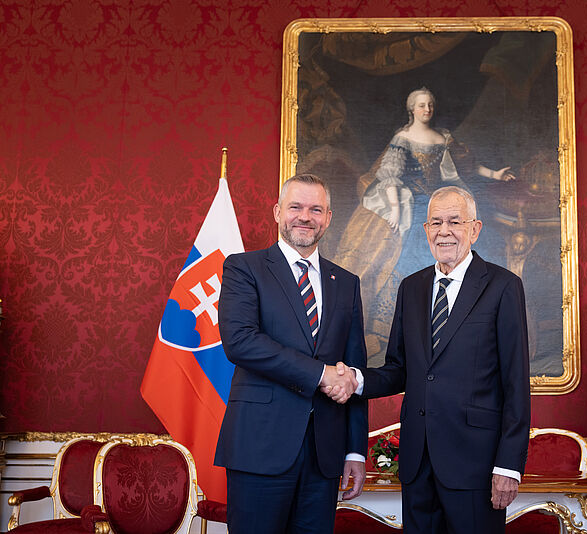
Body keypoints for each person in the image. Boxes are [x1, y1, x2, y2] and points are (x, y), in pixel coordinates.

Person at [343, 185, 531, 534]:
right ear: (426, 230)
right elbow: (400, 369)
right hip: (417, 462)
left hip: (476, 463)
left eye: (455, 222)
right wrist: (357, 380)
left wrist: (509, 465)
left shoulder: (503, 286)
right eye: (436, 223)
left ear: (474, 229)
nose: (444, 231)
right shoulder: (411, 288)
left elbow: (516, 382)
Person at [214, 173, 367, 534]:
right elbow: (241, 342)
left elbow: (353, 368)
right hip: (259, 447)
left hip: (324, 456)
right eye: (296, 207)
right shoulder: (244, 268)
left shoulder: (346, 283)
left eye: (316, 209)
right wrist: (321, 374)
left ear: (328, 218)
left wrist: (355, 451)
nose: (305, 216)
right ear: (277, 212)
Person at [336, 87, 515, 361]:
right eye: (421, 105)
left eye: (430, 104)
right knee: (408, 255)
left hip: (436, 202)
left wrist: (495, 174)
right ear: (412, 109)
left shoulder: (443, 137)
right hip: (413, 203)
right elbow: (391, 176)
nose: (427, 109)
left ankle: (454, 327)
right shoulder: (403, 138)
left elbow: (466, 167)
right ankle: (390, 329)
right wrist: (395, 210)